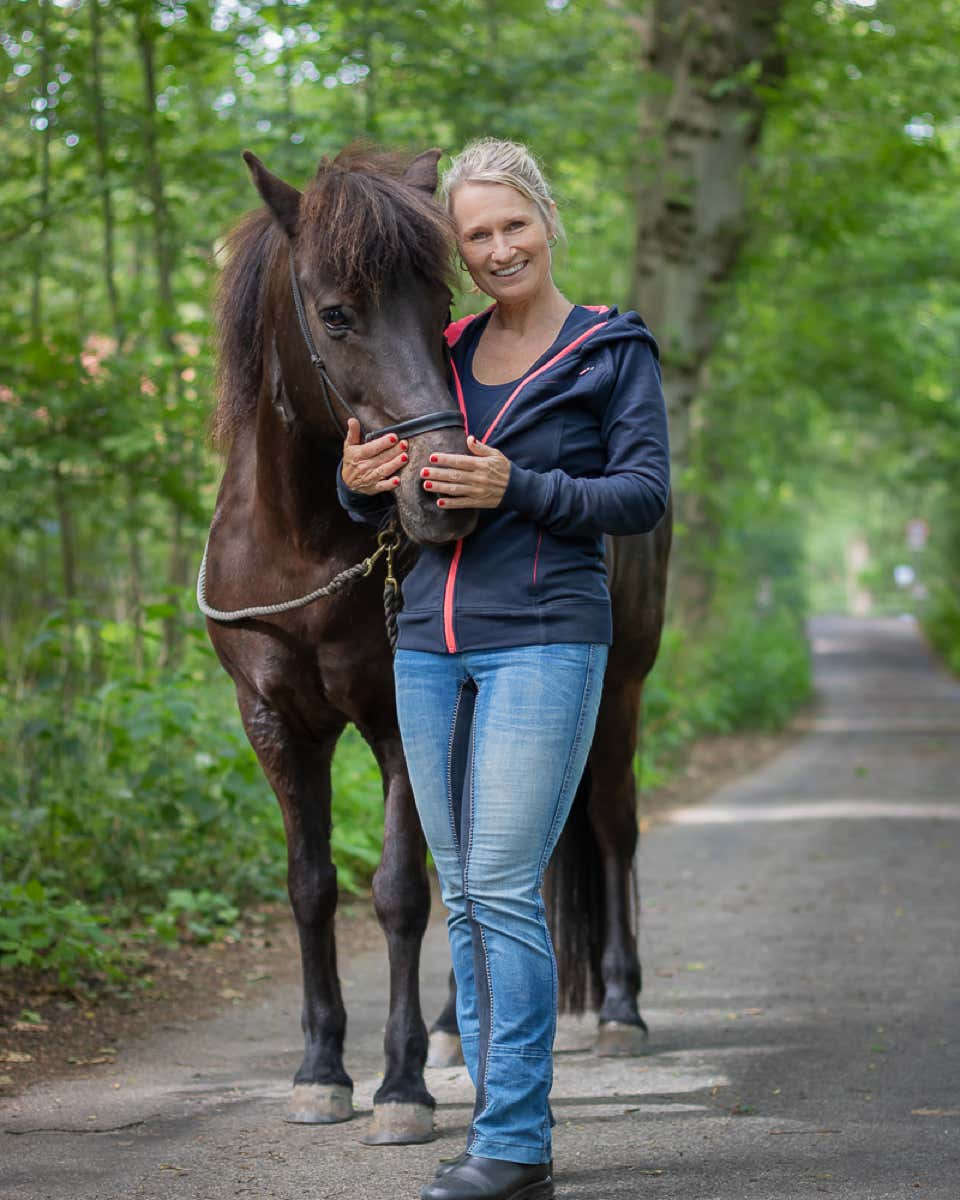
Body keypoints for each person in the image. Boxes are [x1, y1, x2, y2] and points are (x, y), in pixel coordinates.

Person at [337, 139, 670, 1200]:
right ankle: (498, 1127)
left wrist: (519, 484)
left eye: (510, 225)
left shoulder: (609, 348)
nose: (495, 248)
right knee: (468, 901)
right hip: (426, 648)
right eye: (475, 236)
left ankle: (516, 1141)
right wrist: (355, 485)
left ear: (546, 221)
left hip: (545, 635)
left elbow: (641, 497)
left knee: (498, 888)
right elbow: (397, 496)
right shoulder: (433, 352)